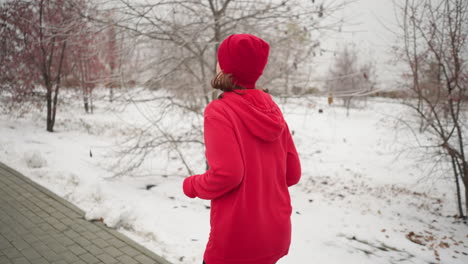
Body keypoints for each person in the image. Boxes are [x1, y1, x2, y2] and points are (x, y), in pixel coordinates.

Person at [182, 34, 301, 264]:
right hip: (274, 235)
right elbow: (293, 174)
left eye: (220, 60)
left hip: (235, 242)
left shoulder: (219, 111)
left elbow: (227, 174)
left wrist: (191, 185)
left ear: (227, 68)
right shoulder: (273, 109)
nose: (216, 64)